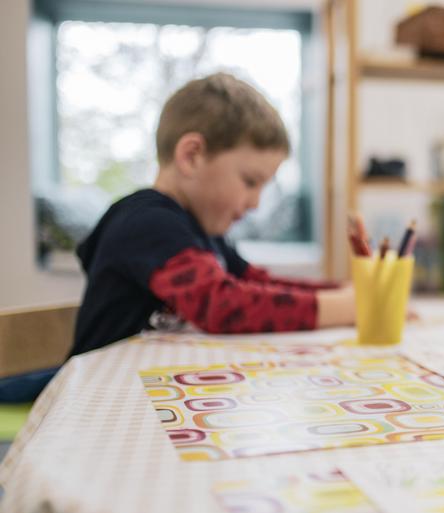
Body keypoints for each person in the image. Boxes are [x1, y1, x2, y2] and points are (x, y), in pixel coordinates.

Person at [69, 73, 355, 358]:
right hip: (95, 389)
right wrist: (349, 306)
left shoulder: (204, 233)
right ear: (192, 156)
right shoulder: (145, 223)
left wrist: (343, 290)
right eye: (250, 181)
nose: (255, 203)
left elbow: (257, 285)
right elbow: (222, 305)